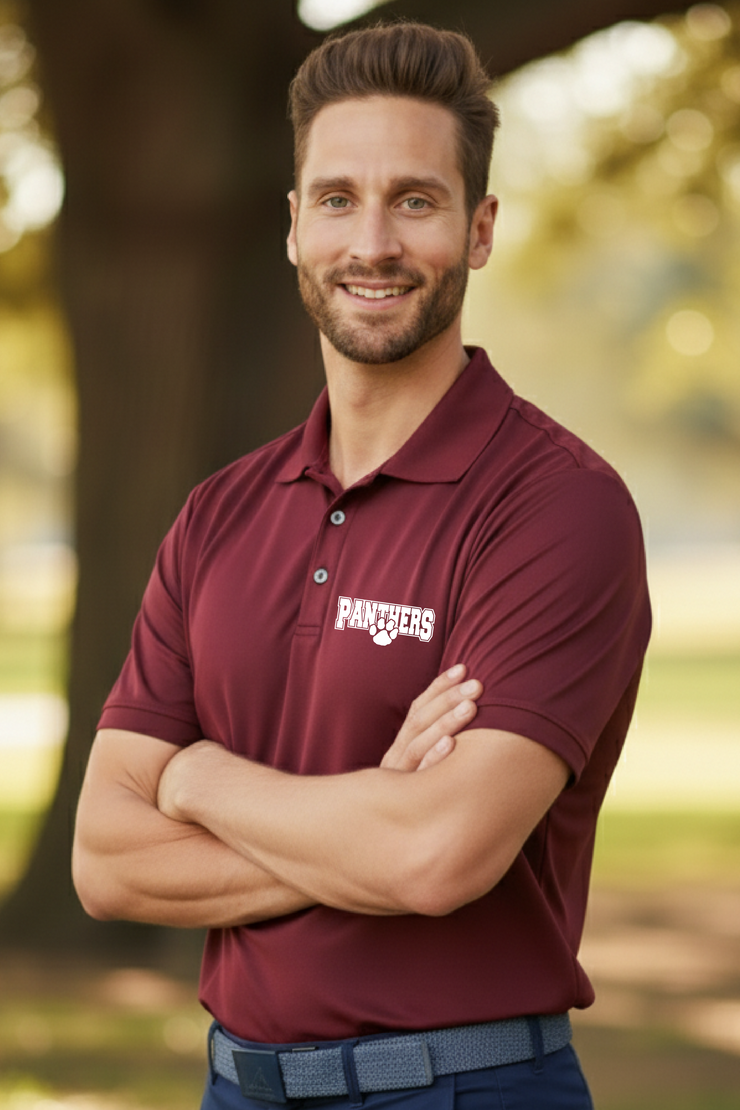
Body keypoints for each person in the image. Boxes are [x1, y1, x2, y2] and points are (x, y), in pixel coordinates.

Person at [72, 21, 651, 1110]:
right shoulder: (218, 516)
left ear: (478, 230)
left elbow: (437, 858)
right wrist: (369, 817)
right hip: (234, 1086)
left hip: (461, 1088)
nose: (371, 242)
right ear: (293, 228)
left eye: (415, 201)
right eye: (337, 199)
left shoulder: (556, 510)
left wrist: (197, 781)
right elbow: (106, 860)